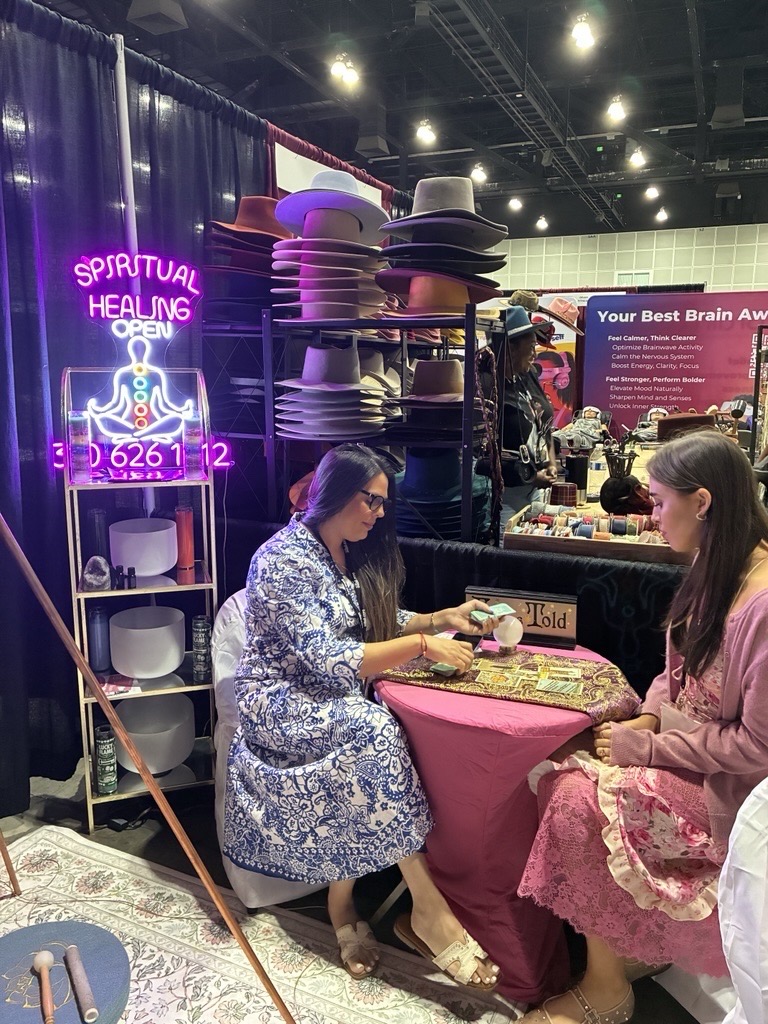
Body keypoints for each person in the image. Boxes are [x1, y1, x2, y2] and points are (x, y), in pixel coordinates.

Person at [223, 443, 502, 989]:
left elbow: (372, 620)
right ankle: (428, 909)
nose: (377, 513)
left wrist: (441, 617)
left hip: (331, 692)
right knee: (371, 730)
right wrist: (422, 644)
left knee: (373, 729)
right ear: (335, 493)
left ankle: (345, 901)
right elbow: (328, 656)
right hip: (280, 699)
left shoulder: (344, 552)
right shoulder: (280, 560)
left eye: (382, 504)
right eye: (370, 500)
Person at [517, 429, 768, 1024]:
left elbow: (757, 747)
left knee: (575, 797)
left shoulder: (761, 605)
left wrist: (650, 747)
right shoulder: (716, 566)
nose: (652, 517)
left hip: (729, 791)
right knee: (556, 761)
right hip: (685, 754)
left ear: (702, 502)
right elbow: (673, 671)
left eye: (658, 502)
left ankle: (605, 988)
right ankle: (618, 951)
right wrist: (651, 715)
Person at [499, 305, 558, 520]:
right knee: (508, 540)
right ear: (511, 348)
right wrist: (532, 477)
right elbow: (484, 455)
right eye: (531, 346)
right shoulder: (490, 386)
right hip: (506, 495)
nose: (535, 353)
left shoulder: (528, 374)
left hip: (536, 491)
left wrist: (551, 462)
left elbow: (544, 425)